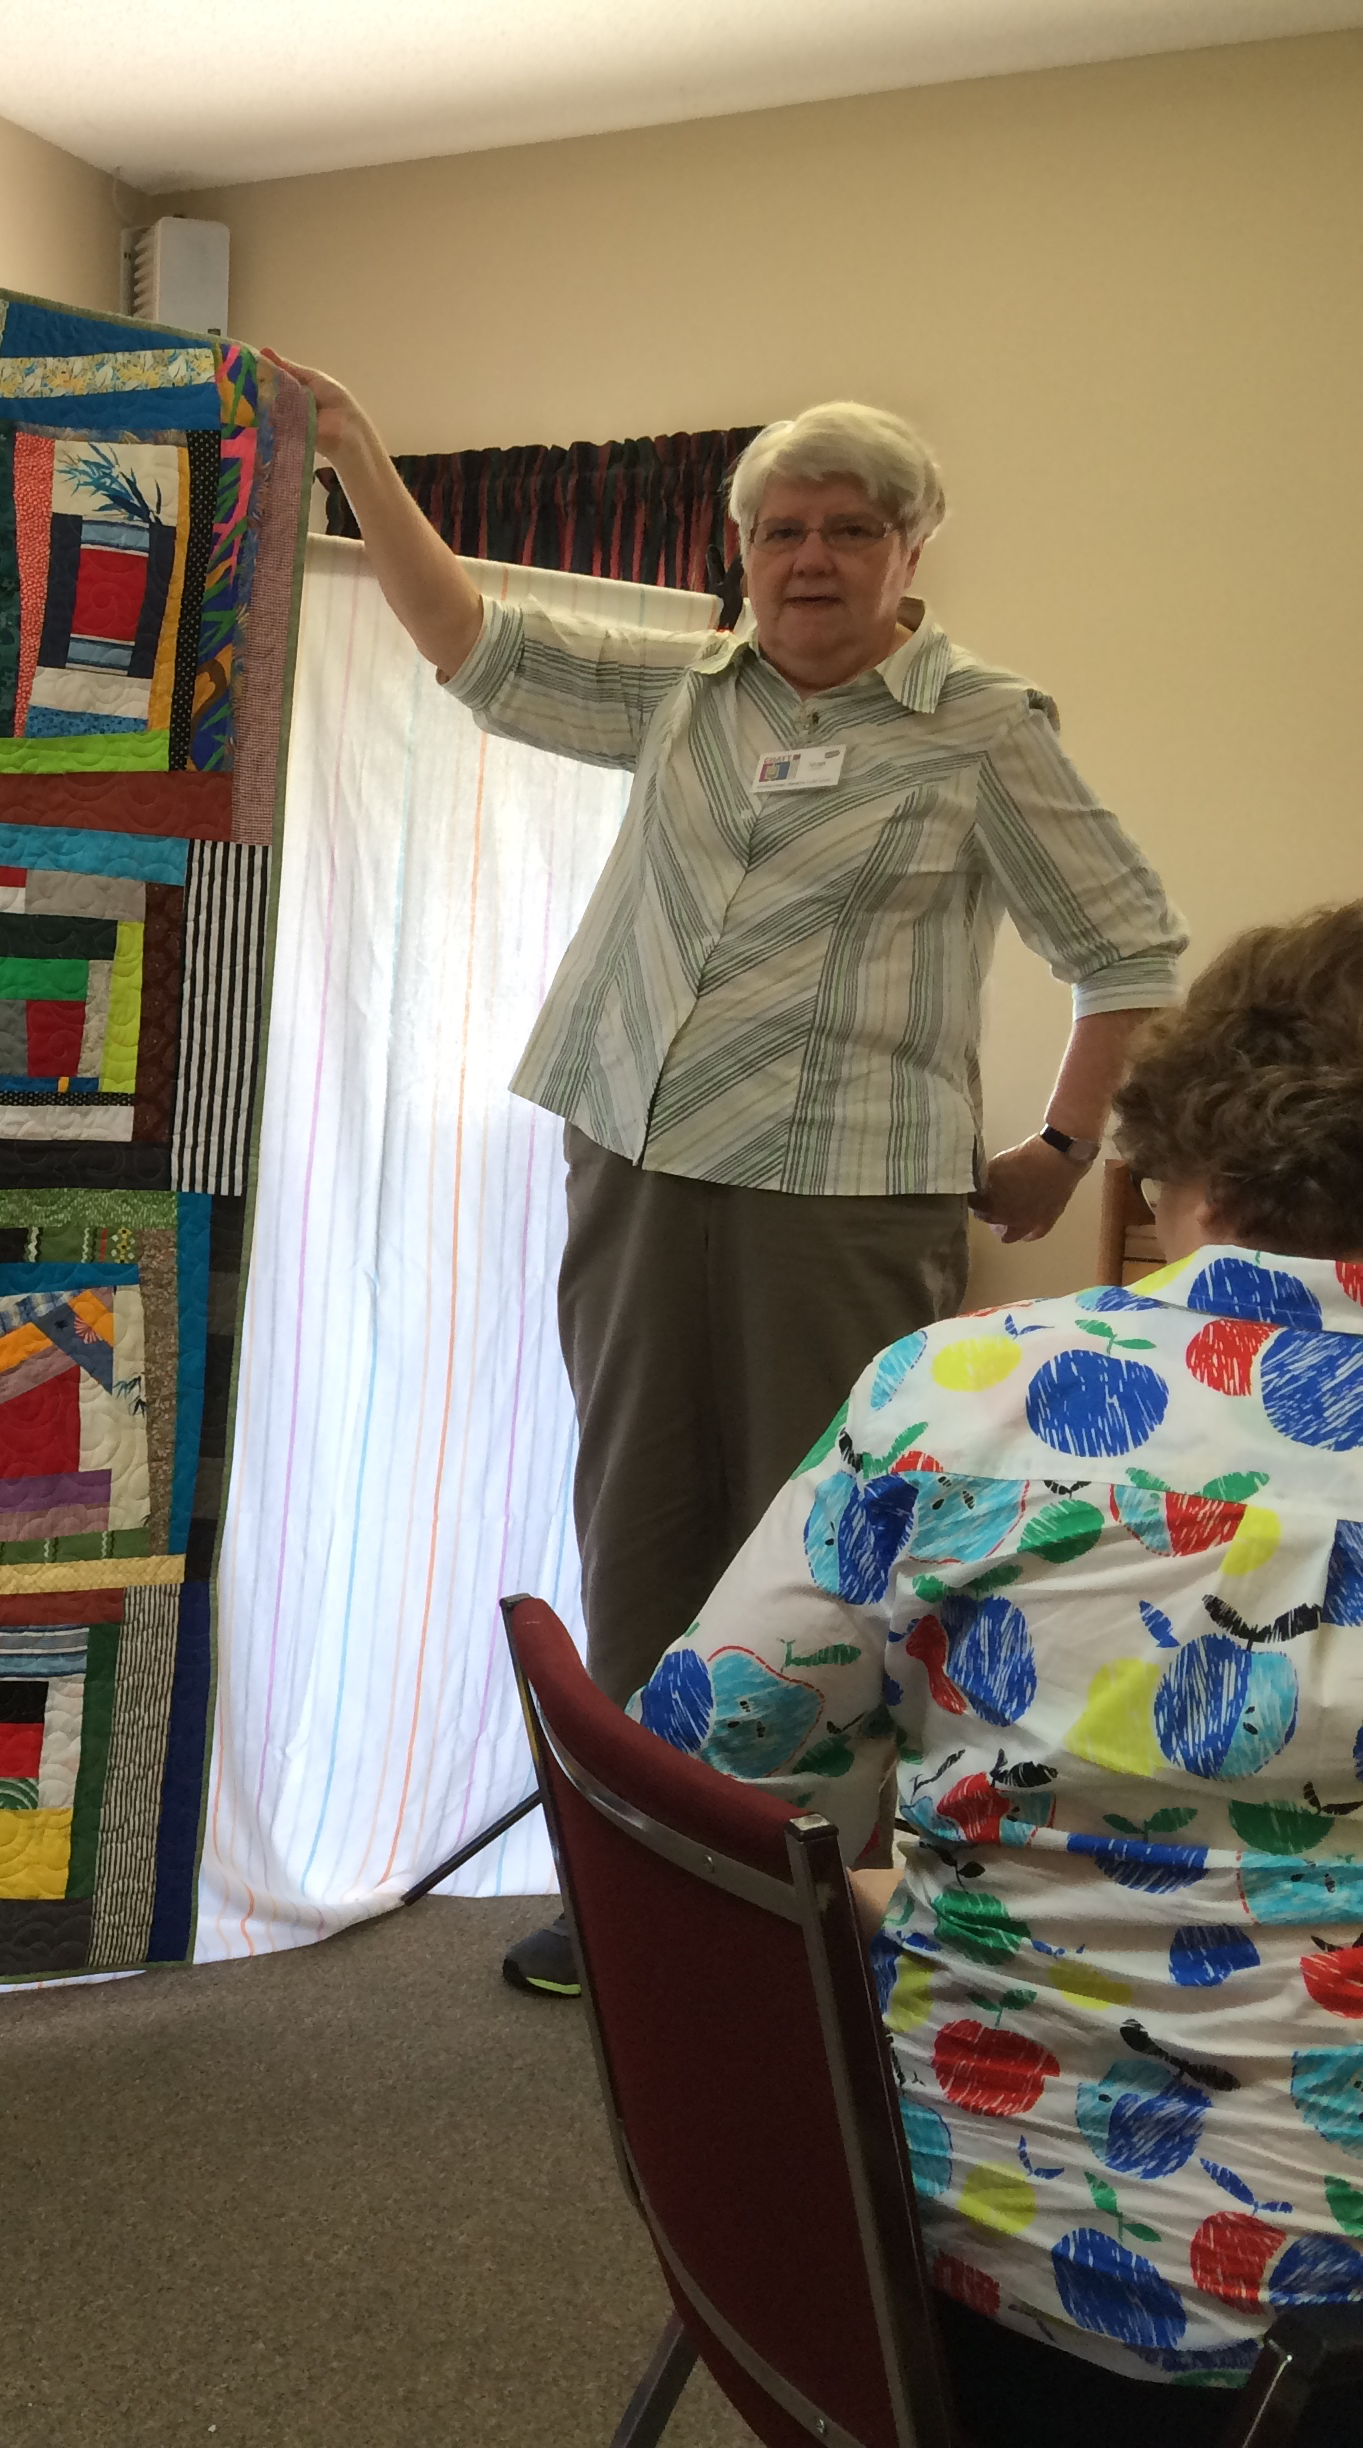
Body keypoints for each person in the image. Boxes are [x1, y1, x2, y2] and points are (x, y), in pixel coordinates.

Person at [276, 365, 1189, 1997]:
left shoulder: (985, 728)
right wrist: (350, 450)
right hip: (636, 1162)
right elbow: (471, 645)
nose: (811, 557)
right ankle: (644, 1896)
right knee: (638, 1527)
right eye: (782, 530)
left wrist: (1062, 1152)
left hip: (843, 1198)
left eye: (851, 530)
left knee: (827, 1543)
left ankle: (808, 1913)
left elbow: (1126, 951)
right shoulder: (691, 694)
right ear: (743, 550)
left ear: (910, 554)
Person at [631, 900, 1363, 2441]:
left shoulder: (963, 1391)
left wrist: (946, 1883)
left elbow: (696, 1790)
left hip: (973, 2295)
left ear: (1180, 1163)